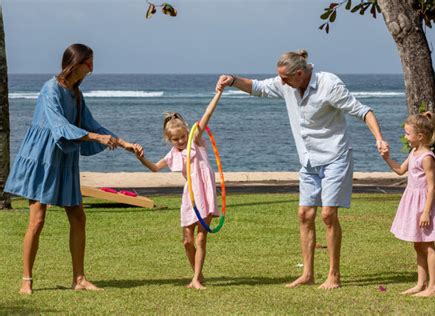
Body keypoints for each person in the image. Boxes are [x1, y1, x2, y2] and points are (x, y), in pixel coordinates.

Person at [216, 49, 388, 289]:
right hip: (308, 161)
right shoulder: (287, 83)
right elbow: (258, 88)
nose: (281, 83)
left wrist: (379, 138)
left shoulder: (329, 85)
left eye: (285, 79)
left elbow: (363, 111)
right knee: (304, 215)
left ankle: (333, 275)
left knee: (328, 215)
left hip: (335, 156)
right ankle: (307, 274)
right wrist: (233, 80)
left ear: (299, 73)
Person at [4, 43, 142, 295]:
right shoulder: (50, 89)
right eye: (89, 63)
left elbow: (91, 124)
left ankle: (79, 278)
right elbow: (58, 126)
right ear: (75, 63)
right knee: (37, 219)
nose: (92, 68)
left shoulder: (77, 95)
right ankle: (26, 279)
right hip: (42, 157)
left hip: (65, 158)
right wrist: (95, 138)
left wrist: (124, 143)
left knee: (78, 216)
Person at [134, 92, 222, 290]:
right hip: (190, 196)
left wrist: (219, 93)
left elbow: (207, 114)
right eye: (176, 139)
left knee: (201, 237)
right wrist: (140, 158)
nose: (181, 141)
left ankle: (197, 279)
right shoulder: (173, 154)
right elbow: (156, 168)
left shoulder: (195, 141)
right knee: (186, 241)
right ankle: (197, 274)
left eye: (182, 137)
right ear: (169, 139)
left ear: (187, 133)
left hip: (205, 193)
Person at [381, 112, 435, 297]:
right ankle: (421, 284)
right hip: (412, 203)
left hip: (424, 205)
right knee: (418, 244)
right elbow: (400, 170)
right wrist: (387, 158)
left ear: (420, 136)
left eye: (408, 133)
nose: (405, 137)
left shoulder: (427, 157)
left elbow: (432, 187)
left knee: (428, 245)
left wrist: (426, 213)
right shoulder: (414, 152)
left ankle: (434, 288)